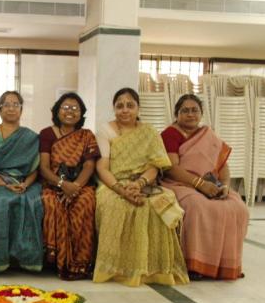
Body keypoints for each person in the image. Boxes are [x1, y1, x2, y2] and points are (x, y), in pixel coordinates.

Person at [94, 87, 188, 286]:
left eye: (130, 105)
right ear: (114, 109)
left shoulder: (149, 132)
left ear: (138, 108)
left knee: (158, 205)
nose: (125, 110)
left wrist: (138, 184)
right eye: (120, 106)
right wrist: (121, 189)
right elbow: (102, 167)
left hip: (143, 183)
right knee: (116, 206)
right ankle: (118, 269)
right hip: (113, 183)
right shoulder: (106, 130)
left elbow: (155, 165)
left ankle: (154, 269)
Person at [161, 94, 248, 280]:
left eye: (195, 110)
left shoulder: (208, 135)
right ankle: (195, 265)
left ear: (201, 114)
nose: (190, 114)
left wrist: (224, 186)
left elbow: (223, 166)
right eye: (185, 110)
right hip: (180, 183)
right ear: (177, 114)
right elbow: (171, 168)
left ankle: (225, 265)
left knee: (237, 207)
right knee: (198, 207)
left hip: (210, 184)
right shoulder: (170, 134)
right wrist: (200, 185)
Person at [39, 92, 100, 280]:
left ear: (81, 113)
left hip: (80, 185)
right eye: (65, 107)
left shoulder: (87, 135)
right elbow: (44, 167)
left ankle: (79, 264)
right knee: (52, 203)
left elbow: (90, 165)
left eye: (75, 108)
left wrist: (75, 187)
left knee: (85, 203)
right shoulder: (47, 134)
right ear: (57, 111)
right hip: (53, 183)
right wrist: (61, 184)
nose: (70, 111)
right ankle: (58, 260)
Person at [0, 90, 43, 272]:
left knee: (34, 200)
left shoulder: (31, 137)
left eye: (15, 104)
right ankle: (2, 259)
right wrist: (5, 185)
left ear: (21, 110)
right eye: (6, 104)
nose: (11, 108)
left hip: (26, 182)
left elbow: (35, 170)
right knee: (1, 201)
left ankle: (28, 258)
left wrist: (25, 184)